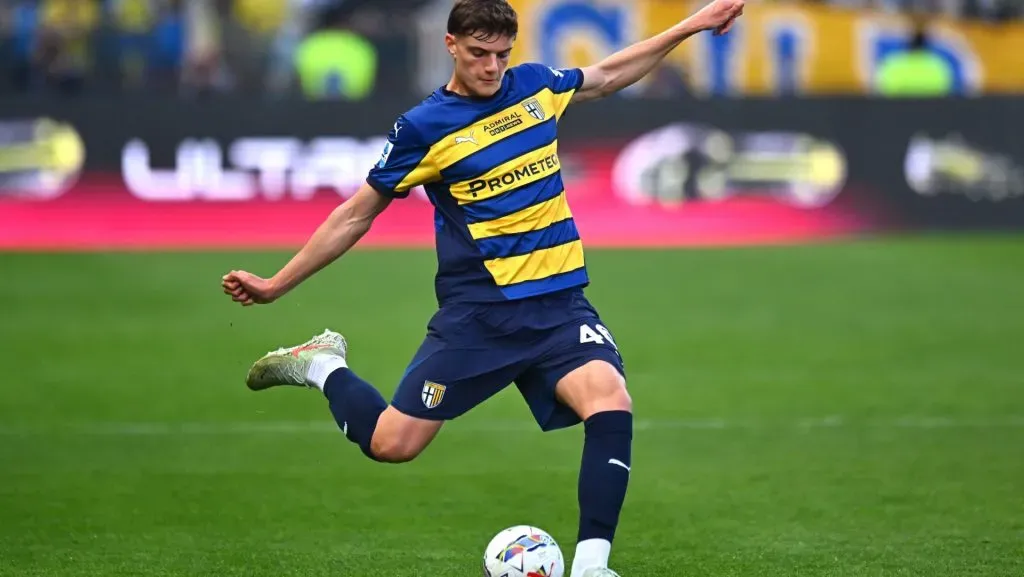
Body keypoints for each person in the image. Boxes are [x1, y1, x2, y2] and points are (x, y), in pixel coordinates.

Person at [221, 1, 744, 575]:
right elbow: (354, 215)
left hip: (559, 306)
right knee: (392, 445)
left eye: (501, 54)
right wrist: (276, 284)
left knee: (611, 400)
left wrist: (691, 24)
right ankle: (323, 365)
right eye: (478, 54)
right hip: (481, 318)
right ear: (450, 45)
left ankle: (593, 566)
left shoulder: (536, 88)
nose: (492, 67)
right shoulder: (424, 127)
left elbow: (610, 74)